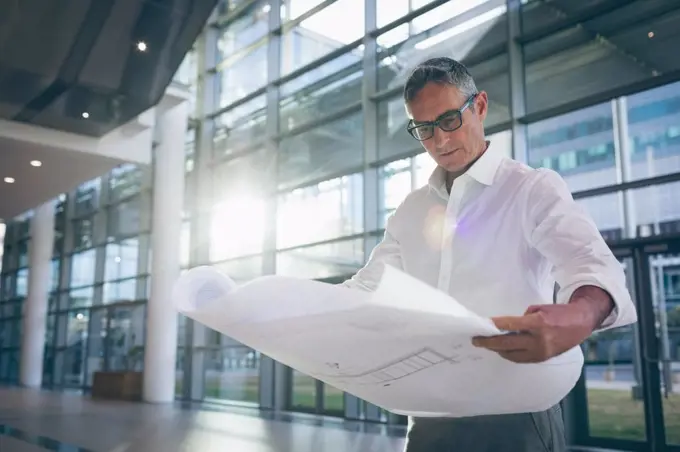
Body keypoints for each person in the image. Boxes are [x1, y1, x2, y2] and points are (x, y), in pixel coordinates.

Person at [341, 57, 638, 451]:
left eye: (449, 120)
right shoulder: (410, 211)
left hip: (516, 418)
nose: (440, 141)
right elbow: (366, 287)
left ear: (479, 106)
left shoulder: (532, 189)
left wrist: (577, 315)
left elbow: (593, 266)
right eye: (425, 129)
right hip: (431, 420)